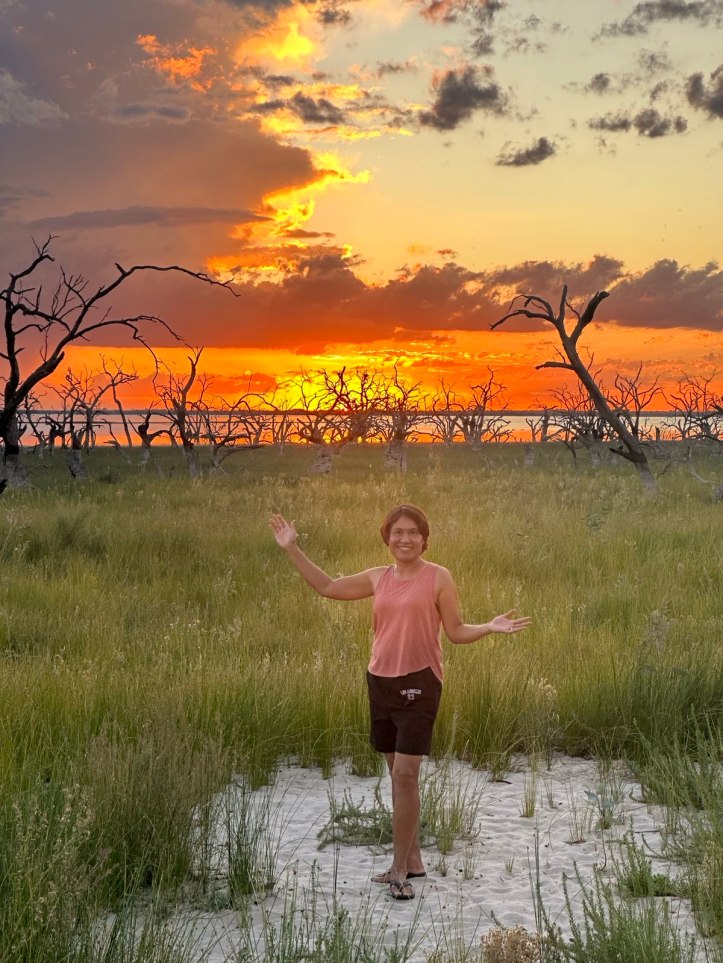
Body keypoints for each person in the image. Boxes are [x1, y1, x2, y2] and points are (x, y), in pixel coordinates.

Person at [269, 504, 531, 901]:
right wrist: (291, 548)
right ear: (386, 538)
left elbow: (456, 632)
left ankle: (397, 871)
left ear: (424, 538)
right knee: (397, 775)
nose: (404, 539)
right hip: (380, 682)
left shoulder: (438, 577)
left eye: (412, 533)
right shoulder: (378, 577)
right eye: (397, 533)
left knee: (406, 775)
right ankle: (414, 861)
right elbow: (327, 586)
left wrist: (489, 627)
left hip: (420, 683)